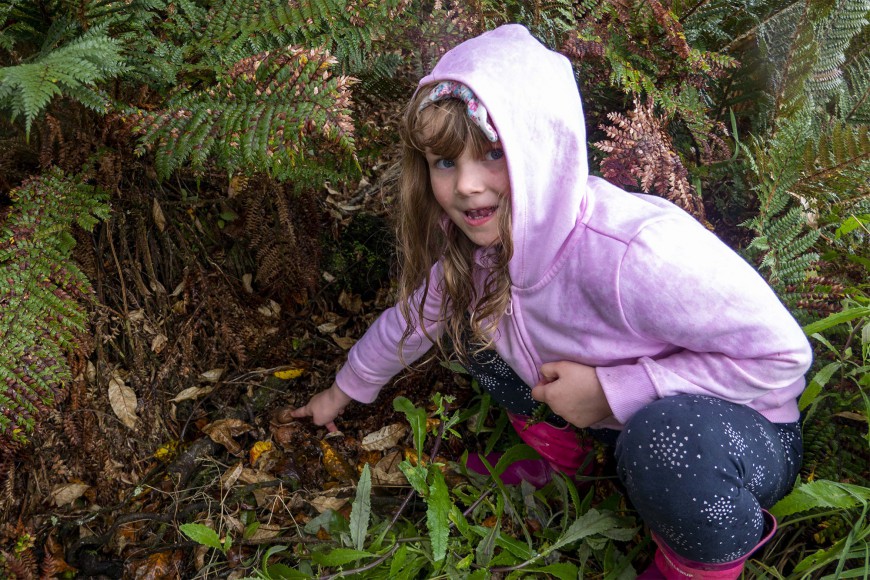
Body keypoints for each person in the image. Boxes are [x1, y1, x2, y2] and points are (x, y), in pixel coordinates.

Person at [291, 24, 812, 579]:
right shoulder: (484, 251)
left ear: (542, 146)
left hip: (731, 434)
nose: (466, 185)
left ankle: (700, 564)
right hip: (605, 419)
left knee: (664, 439)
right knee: (472, 322)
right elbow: (411, 323)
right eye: (445, 162)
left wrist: (615, 391)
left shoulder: (635, 254)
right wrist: (341, 392)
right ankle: (571, 465)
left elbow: (781, 360)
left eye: (493, 153)